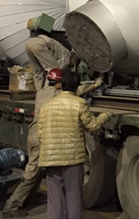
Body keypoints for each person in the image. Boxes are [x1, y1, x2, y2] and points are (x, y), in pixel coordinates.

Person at [2, 35, 102, 218]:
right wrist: (96, 83)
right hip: (41, 137)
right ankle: (12, 206)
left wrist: (44, 40)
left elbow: (33, 49)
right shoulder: (56, 92)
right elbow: (76, 91)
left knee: (37, 171)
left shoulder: (41, 86)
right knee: (33, 171)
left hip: (36, 134)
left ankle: (26, 199)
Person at [38, 70, 112, 219]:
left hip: (50, 158)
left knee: (55, 199)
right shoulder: (79, 103)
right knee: (74, 197)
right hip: (72, 159)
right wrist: (106, 115)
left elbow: (41, 135)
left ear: (61, 85)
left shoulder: (46, 106)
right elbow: (92, 126)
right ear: (77, 86)